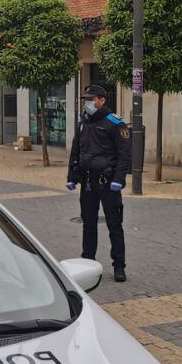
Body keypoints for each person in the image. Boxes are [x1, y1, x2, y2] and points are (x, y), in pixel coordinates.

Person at [66, 85, 131, 282]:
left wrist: (119, 179)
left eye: (91, 99)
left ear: (102, 100)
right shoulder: (83, 123)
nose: (87, 103)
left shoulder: (115, 123)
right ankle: (88, 261)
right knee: (88, 224)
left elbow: (124, 155)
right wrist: (72, 176)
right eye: (85, 99)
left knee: (114, 225)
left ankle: (119, 265)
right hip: (88, 182)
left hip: (108, 182)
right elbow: (76, 151)